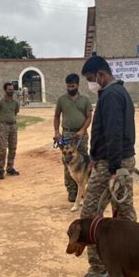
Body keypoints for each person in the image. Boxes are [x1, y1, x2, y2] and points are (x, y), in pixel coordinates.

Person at [74, 55, 138, 277]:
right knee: (124, 213)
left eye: (91, 79)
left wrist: (112, 168)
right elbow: (110, 133)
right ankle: (135, 263)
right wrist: (94, 158)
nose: (91, 84)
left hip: (113, 163)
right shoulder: (120, 92)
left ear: (101, 74)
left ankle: (99, 270)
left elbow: (113, 133)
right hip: (121, 160)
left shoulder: (110, 95)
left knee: (90, 214)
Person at [54, 73, 93, 202]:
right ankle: (72, 191)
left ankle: (84, 190)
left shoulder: (85, 100)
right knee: (68, 163)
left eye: (72, 86)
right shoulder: (61, 99)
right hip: (67, 134)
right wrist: (56, 132)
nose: (70, 88)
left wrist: (82, 130)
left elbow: (89, 117)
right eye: (68, 86)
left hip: (81, 135)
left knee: (83, 163)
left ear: (77, 85)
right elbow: (56, 116)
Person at [0, 82, 20, 180]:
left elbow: (15, 112)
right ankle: (0, 170)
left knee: (13, 148)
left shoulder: (15, 103)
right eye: (9, 89)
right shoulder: (0, 102)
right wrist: (3, 122)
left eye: (12, 89)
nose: (11, 91)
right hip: (4, 126)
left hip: (13, 126)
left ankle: (10, 167)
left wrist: (10, 120)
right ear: (5, 90)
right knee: (3, 148)